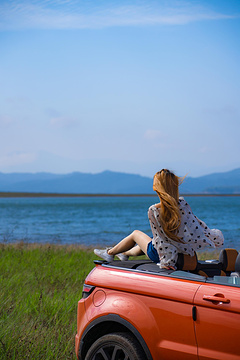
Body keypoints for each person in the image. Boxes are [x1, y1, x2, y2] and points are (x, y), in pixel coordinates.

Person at [94, 169, 224, 269]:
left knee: (136, 234)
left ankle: (109, 253)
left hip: (161, 253)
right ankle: (124, 254)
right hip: (178, 250)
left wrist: (167, 262)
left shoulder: (154, 210)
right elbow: (197, 226)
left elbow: (160, 240)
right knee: (147, 243)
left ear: (156, 188)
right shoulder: (183, 205)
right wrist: (213, 237)